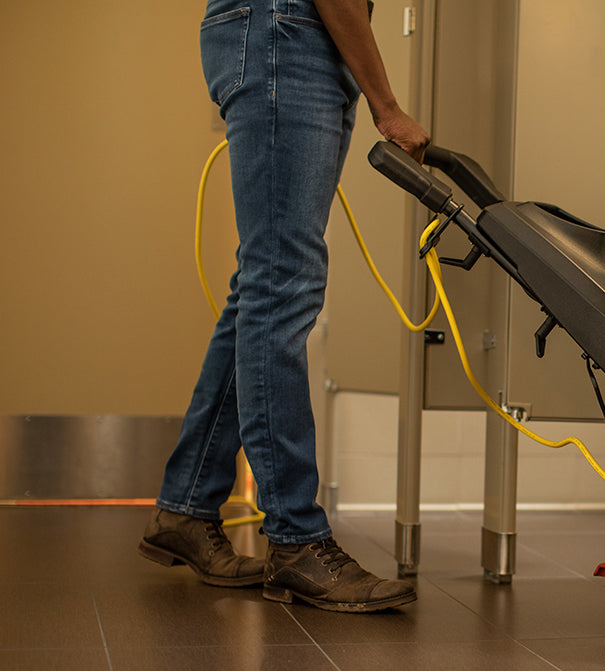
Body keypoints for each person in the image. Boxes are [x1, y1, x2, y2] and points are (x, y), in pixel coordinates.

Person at [138, 0, 430, 612]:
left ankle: (187, 507)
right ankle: (297, 542)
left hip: (283, 38)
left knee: (261, 289)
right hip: (284, 38)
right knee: (280, 288)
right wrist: (386, 105)